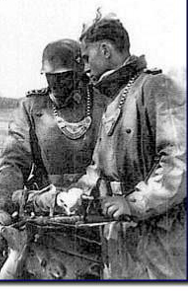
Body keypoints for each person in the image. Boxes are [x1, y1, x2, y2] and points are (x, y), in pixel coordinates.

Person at [67, 12, 186, 279]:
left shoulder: (155, 86)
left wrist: (134, 203)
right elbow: (98, 171)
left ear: (106, 50)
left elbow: (177, 161)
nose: (84, 67)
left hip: (161, 240)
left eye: (87, 57)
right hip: (122, 238)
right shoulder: (115, 99)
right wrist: (73, 194)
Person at [0, 39, 111, 279]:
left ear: (80, 72)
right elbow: (13, 160)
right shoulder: (32, 107)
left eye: (63, 77)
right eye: (49, 77)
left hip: (97, 219)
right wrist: (3, 205)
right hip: (44, 217)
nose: (55, 84)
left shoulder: (104, 104)